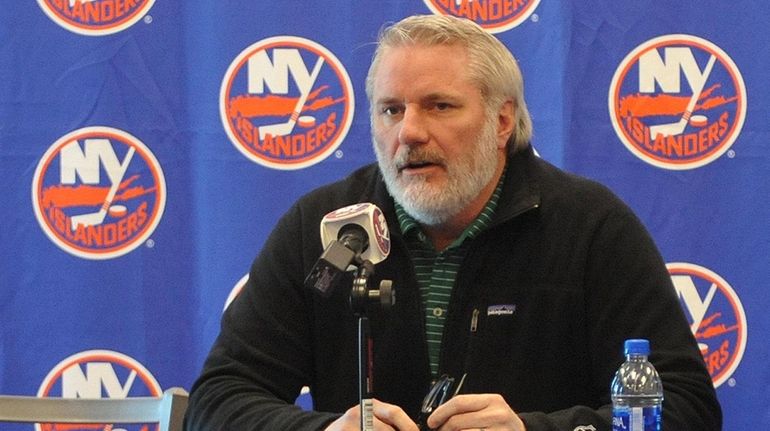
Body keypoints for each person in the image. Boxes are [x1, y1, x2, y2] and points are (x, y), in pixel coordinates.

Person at [184, 14, 721, 431]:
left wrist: (537, 429)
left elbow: (684, 406)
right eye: (390, 110)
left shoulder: (590, 227)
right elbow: (219, 399)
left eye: (439, 106)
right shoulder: (325, 227)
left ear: (502, 121)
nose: (409, 132)